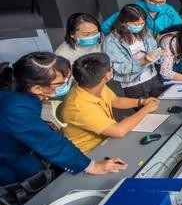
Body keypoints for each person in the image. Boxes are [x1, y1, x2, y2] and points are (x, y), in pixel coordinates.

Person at [0, 53, 127, 187]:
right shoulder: (16, 109)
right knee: (35, 181)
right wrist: (92, 167)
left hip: (15, 142)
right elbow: (50, 143)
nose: (68, 82)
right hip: (8, 155)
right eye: (61, 82)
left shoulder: (17, 86)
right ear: (37, 88)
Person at [61, 53, 160, 153]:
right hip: (93, 152)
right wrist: (146, 109)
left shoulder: (91, 85)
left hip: (108, 138)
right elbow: (119, 131)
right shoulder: (78, 107)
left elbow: (115, 100)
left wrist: (142, 102)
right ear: (107, 76)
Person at [102, 4, 165, 98]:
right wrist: (144, 60)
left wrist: (159, 55)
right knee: (146, 110)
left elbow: (153, 49)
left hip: (153, 77)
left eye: (142, 23)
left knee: (163, 105)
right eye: (136, 24)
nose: (140, 26)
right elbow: (120, 68)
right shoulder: (111, 41)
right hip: (133, 84)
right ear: (123, 22)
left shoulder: (145, 32)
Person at [101, 0, 182, 37]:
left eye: (161, 2)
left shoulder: (169, 10)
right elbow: (106, 26)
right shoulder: (134, 9)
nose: (157, 5)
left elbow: (179, 27)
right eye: (153, 1)